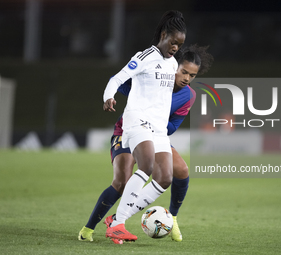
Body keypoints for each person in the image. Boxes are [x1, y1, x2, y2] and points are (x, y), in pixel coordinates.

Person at [78, 44, 213, 244]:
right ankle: (88, 228)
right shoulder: (151, 76)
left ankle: (169, 217)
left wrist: (154, 117)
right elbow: (120, 83)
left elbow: (173, 126)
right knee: (122, 182)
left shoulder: (188, 96)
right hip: (127, 131)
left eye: (192, 76)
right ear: (174, 66)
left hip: (156, 133)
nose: (187, 78)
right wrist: (114, 97)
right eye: (184, 72)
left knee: (181, 170)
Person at [78, 10, 186, 242]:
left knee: (165, 177)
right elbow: (116, 78)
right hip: (137, 120)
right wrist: (109, 96)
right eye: (173, 42)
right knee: (146, 165)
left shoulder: (173, 63)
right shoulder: (146, 56)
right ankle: (118, 224)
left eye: (180, 44)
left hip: (158, 128)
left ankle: (116, 219)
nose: (176, 47)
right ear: (164, 34)